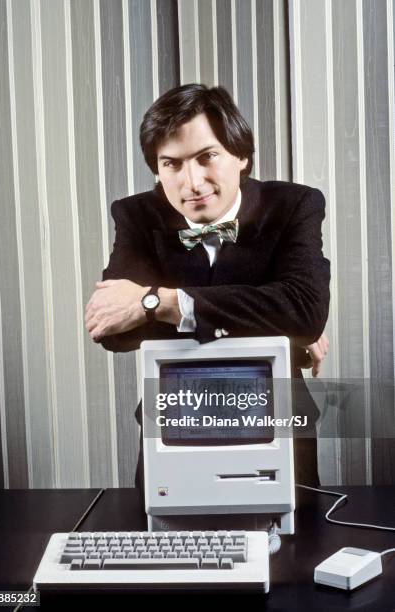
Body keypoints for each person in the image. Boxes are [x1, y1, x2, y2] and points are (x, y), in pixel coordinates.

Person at [85, 83, 330, 487]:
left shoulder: (294, 206)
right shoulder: (137, 215)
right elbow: (112, 329)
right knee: (170, 545)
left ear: (241, 156)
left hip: (278, 425)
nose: (192, 182)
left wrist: (158, 302)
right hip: (171, 427)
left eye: (207, 157)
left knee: (293, 547)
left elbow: (304, 310)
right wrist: (277, 324)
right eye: (172, 164)